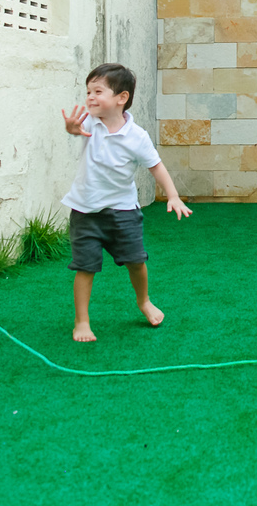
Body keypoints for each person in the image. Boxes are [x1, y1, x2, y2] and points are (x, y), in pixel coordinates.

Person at [61, 63, 192, 343]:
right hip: (85, 212)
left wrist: (173, 195)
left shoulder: (137, 136)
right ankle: (81, 321)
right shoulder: (89, 122)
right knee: (85, 267)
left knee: (136, 261)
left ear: (121, 98)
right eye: (88, 91)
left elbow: (156, 166)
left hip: (123, 213)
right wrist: (71, 127)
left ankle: (144, 301)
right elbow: (75, 129)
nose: (90, 97)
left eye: (98, 91)